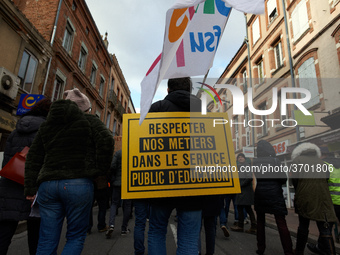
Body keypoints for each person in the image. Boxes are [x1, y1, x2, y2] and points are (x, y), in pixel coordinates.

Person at [24, 88, 114, 255]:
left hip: (48, 185)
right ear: (83, 108)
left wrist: (30, 187)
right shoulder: (89, 121)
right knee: (75, 236)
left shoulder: (47, 125)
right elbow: (107, 140)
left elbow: (33, 157)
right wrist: (99, 170)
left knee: (46, 239)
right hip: (78, 183)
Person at [147, 77, 203, 255]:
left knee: (156, 231)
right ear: (190, 89)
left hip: (161, 181)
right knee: (189, 239)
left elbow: (145, 144)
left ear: (168, 89)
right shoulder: (201, 110)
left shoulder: (157, 107)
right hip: (194, 184)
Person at [0, 98, 51, 255]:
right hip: (33, 188)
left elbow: (7, 159)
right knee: (35, 234)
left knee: (4, 233)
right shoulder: (46, 132)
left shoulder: (15, 131)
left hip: (10, 183)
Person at [291, 142, 337, 255]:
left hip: (304, 196)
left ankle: (299, 251)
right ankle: (330, 252)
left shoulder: (297, 162)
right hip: (323, 197)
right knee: (324, 226)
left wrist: (299, 192)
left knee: (303, 225)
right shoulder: (322, 163)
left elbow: (295, 181)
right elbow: (326, 179)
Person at [253, 140, 293, 255]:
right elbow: (283, 178)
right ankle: (288, 251)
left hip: (260, 193)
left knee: (260, 221)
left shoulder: (255, 162)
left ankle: (261, 248)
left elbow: (258, 177)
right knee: (281, 222)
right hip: (275, 193)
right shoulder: (275, 161)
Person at [106, 150, 132, 238]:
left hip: (117, 183)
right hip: (128, 183)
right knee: (127, 205)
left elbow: (112, 166)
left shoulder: (118, 153)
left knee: (114, 203)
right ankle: (124, 229)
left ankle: (111, 224)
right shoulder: (132, 152)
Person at [231, 153, 257, 234]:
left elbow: (249, 178)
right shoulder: (240, 167)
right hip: (242, 191)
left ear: (244, 158)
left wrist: (240, 185)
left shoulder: (247, 166)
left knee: (245, 208)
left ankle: (249, 226)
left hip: (245, 191)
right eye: (239, 157)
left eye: (242, 157)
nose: (240, 158)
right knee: (242, 208)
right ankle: (243, 226)